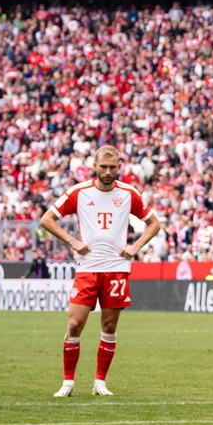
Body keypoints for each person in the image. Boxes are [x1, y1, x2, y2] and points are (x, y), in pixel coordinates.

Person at [38, 145, 162, 398]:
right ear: (94, 166)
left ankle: (99, 383)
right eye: (102, 167)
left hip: (116, 269)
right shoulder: (79, 192)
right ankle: (68, 383)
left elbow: (154, 224)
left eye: (112, 167)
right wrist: (72, 241)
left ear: (119, 167)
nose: (107, 172)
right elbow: (46, 219)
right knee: (74, 324)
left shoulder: (129, 193)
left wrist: (136, 245)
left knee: (108, 327)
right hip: (88, 268)